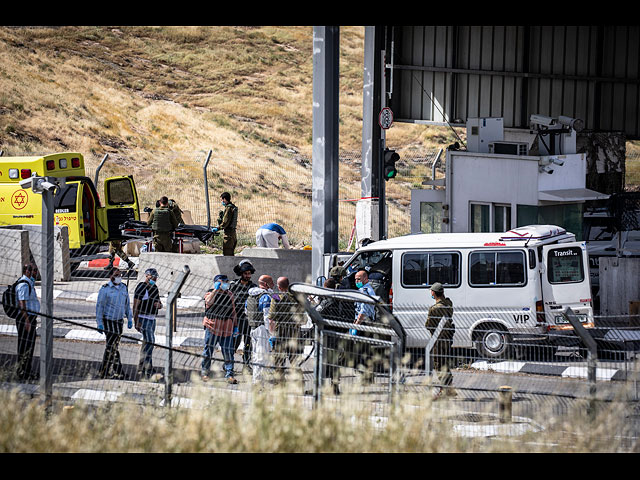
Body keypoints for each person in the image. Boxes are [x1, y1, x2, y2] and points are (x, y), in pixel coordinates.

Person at [267, 277, 305, 389]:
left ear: (279, 287)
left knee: (279, 360)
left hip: (281, 332)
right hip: (294, 332)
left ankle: (280, 386)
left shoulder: (276, 297)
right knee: (295, 361)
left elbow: (272, 316)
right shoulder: (297, 297)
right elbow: (303, 316)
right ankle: (300, 386)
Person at [96, 267, 133, 379]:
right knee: (112, 346)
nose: (118, 277)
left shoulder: (123, 288)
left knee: (112, 347)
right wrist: (99, 323)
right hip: (109, 321)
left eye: (119, 275)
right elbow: (100, 307)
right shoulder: (105, 289)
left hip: (119, 322)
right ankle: (118, 371)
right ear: (110, 276)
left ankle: (105, 371)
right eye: (116, 275)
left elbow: (127, 305)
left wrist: (130, 319)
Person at [201, 274, 239, 384]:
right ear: (217, 283)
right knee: (208, 350)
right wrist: (215, 290)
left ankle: (229, 374)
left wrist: (235, 326)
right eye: (223, 282)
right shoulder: (210, 293)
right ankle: (205, 372)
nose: (226, 284)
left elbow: (233, 311)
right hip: (212, 326)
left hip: (227, 327)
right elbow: (208, 302)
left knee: (228, 351)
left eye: (226, 281)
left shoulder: (230, 294)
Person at [315, 277, 348, 395]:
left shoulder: (327, 300)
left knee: (322, 360)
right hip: (337, 333)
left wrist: (316, 304)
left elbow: (316, 312)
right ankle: (335, 386)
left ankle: (319, 387)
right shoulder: (340, 298)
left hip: (327, 334)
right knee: (335, 362)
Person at [425, 282, 455, 397]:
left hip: (438, 339)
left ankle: (445, 389)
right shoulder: (448, 303)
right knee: (445, 363)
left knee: (439, 364)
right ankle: (449, 388)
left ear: (433, 293)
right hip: (448, 337)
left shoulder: (434, 309)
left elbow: (428, 325)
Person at [133, 268, 162, 380]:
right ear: (147, 276)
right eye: (152, 277)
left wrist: (159, 305)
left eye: (155, 277)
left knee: (147, 342)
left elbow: (159, 301)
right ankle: (147, 366)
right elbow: (135, 305)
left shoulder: (154, 288)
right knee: (150, 341)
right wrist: (136, 321)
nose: (154, 279)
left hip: (152, 318)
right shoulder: (141, 287)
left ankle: (143, 365)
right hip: (143, 318)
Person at [230, 260, 257, 372]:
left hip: (248, 320)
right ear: (241, 274)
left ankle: (246, 364)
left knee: (248, 343)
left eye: (249, 273)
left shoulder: (253, 287)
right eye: (245, 273)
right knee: (234, 342)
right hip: (236, 319)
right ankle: (229, 364)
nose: (248, 276)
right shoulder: (233, 285)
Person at [15, 263, 40, 381]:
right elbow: (22, 304)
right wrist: (27, 321)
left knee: (28, 346)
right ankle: (23, 372)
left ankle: (26, 371)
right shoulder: (24, 284)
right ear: (28, 271)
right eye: (34, 270)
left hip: (30, 318)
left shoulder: (28, 282)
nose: (36, 272)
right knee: (25, 347)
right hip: (26, 319)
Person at [353, 269, 377, 383]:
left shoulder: (365, 291)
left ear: (365, 279)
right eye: (356, 279)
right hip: (364, 323)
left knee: (363, 352)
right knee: (366, 351)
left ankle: (365, 378)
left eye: (359, 279)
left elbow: (364, 310)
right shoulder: (364, 289)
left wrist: (357, 323)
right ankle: (368, 377)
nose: (357, 281)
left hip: (364, 324)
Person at [213, 192, 238, 256]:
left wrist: (218, 228)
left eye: (221, 200)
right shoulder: (233, 207)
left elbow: (225, 222)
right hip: (233, 233)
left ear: (224, 199)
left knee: (227, 254)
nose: (221, 202)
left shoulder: (228, 208)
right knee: (231, 253)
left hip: (228, 234)